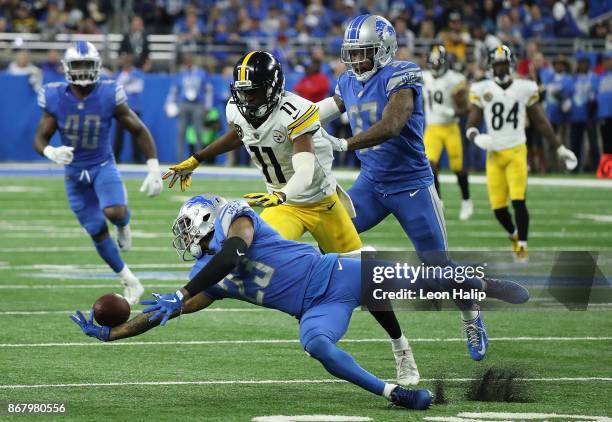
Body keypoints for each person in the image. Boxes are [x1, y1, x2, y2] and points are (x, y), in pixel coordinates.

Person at [68, 195, 527, 408]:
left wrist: (183, 293)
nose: (189, 245)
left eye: (191, 234)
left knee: (425, 282)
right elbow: (162, 313)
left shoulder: (239, 228)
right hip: (315, 310)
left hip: (338, 272)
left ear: (209, 224)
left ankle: (485, 283)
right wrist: (114, 333)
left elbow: (235, 252)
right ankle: (395, 393)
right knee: (316, 345)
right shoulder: (208, 278)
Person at [162, 51, 420, 385]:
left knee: (369, 281)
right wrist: (197, 158)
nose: (245, 98)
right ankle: (216, 291)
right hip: (282, 204)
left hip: (319, 200)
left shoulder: (294, 111)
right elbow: (239, 133)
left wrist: (282, 193)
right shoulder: (237, 110)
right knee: (245, 251)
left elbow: (305, 166)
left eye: (253, 91)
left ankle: (401, 348)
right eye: (242, 91)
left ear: (271, 88)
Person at [316, 15, 491, 361]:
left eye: (363, 52)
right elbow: (320, 112)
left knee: (439, 270)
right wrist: (290, 119)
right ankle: (353, 293)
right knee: (331, 235)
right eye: (352, 53)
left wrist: (344, 144)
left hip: (412, 186)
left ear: (383, 50)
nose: (355, 60)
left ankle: (471, 313)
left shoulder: (402, 73)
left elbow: (393, 124)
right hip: (371, 183)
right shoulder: (347, 81)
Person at [33, 41, 163, 304]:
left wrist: (153, 167)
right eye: (77, 65)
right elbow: (40, 138)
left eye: (86, 65)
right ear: (66, 68)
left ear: (97, 67)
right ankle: (130, 280)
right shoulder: (55, 96)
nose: (82, 71)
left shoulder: (108, 93)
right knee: (96, 229)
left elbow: (138, 129)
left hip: (102, 164)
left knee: (114, 212)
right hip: (74, 174)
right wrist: (51, 152)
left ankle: (124, 224)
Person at [465, 45, 578, 262]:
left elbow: (540, 121)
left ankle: (522, 247)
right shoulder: (483, 89)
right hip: (494, 154)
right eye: (497, 64)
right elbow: (472, 122)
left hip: (517, 150)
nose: (500, 68)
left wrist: (559, 147)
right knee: (498, 209)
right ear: (491, 66)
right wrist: (474, 136)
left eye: (503, 64)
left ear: (511, 64)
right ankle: (514, 235)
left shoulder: (524, 88)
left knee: (518, 200)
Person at [422, 44, 472, 220]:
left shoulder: (454, 79)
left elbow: (466, 108)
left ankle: (466, 200)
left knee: (458, 168)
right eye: (432, 63)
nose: (434, 67)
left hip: (450, 127)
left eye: (437, 64)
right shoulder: (424, 77)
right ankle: (439, 201)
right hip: (433, 128)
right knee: (430, 164)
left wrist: (451, 112)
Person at [165, 53, 212, 161]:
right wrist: (169, 103)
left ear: (193, 61)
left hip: (198, 104)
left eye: (189, 60)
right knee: (181, 132)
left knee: (198, 132)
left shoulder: (201, 73)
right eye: (186, 61)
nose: (188, 63)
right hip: (184, 104)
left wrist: (207, 106)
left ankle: (199, 158)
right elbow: (174, 90)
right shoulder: (181, 74)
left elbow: (208, 90)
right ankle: (180, 159)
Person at [113, 52, 145, 163]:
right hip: (121, 108)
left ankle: (138, 159)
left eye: (128, 61)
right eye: (124, 61)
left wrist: (125, 85)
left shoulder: (137, 74)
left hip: (134, 108)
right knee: (119, 135)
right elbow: (115, 88)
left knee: (136, 134)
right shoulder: (118, 74)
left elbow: (137, 88)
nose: (126, 64)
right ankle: (116, 158)